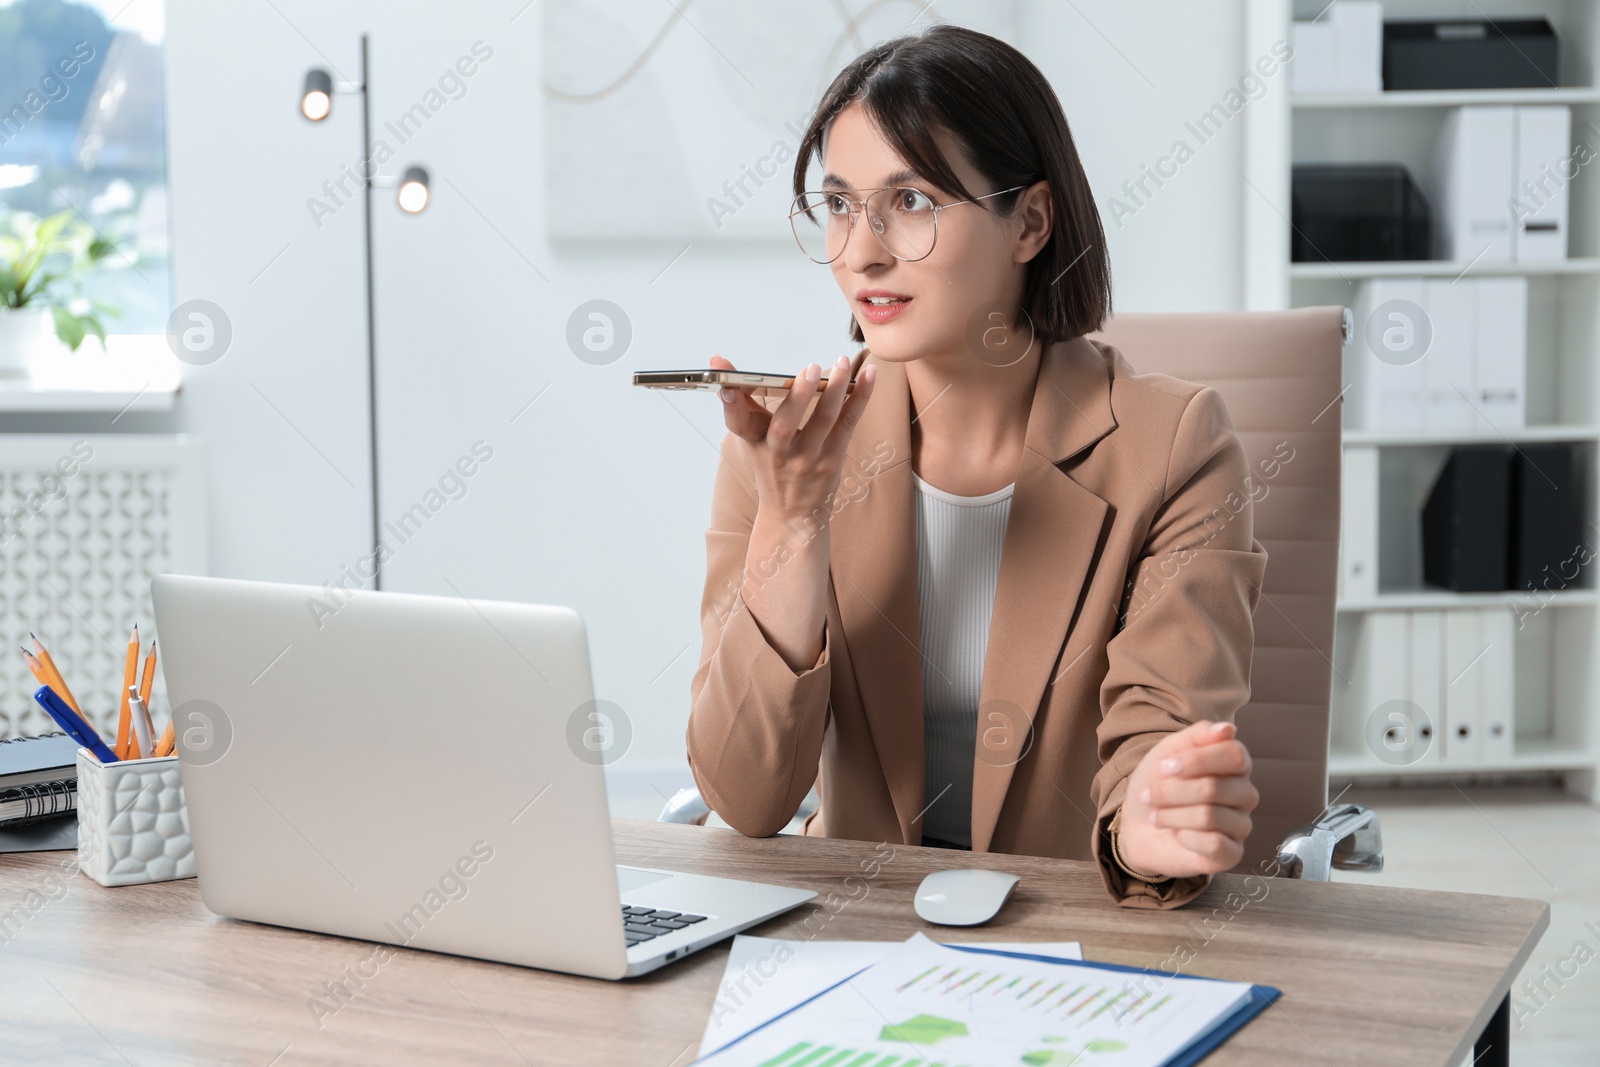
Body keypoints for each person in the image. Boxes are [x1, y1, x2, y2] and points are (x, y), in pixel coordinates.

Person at [687, 24, 1267, 909]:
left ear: (1029, 221)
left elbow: (1157, 735)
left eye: (912, 201)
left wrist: (1149, 827)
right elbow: (745, 796)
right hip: (855, 931)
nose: (862, 250)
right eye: (840, 204)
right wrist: (792, 521)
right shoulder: (786, 451)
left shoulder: (1175, 447)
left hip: (1077, 934)